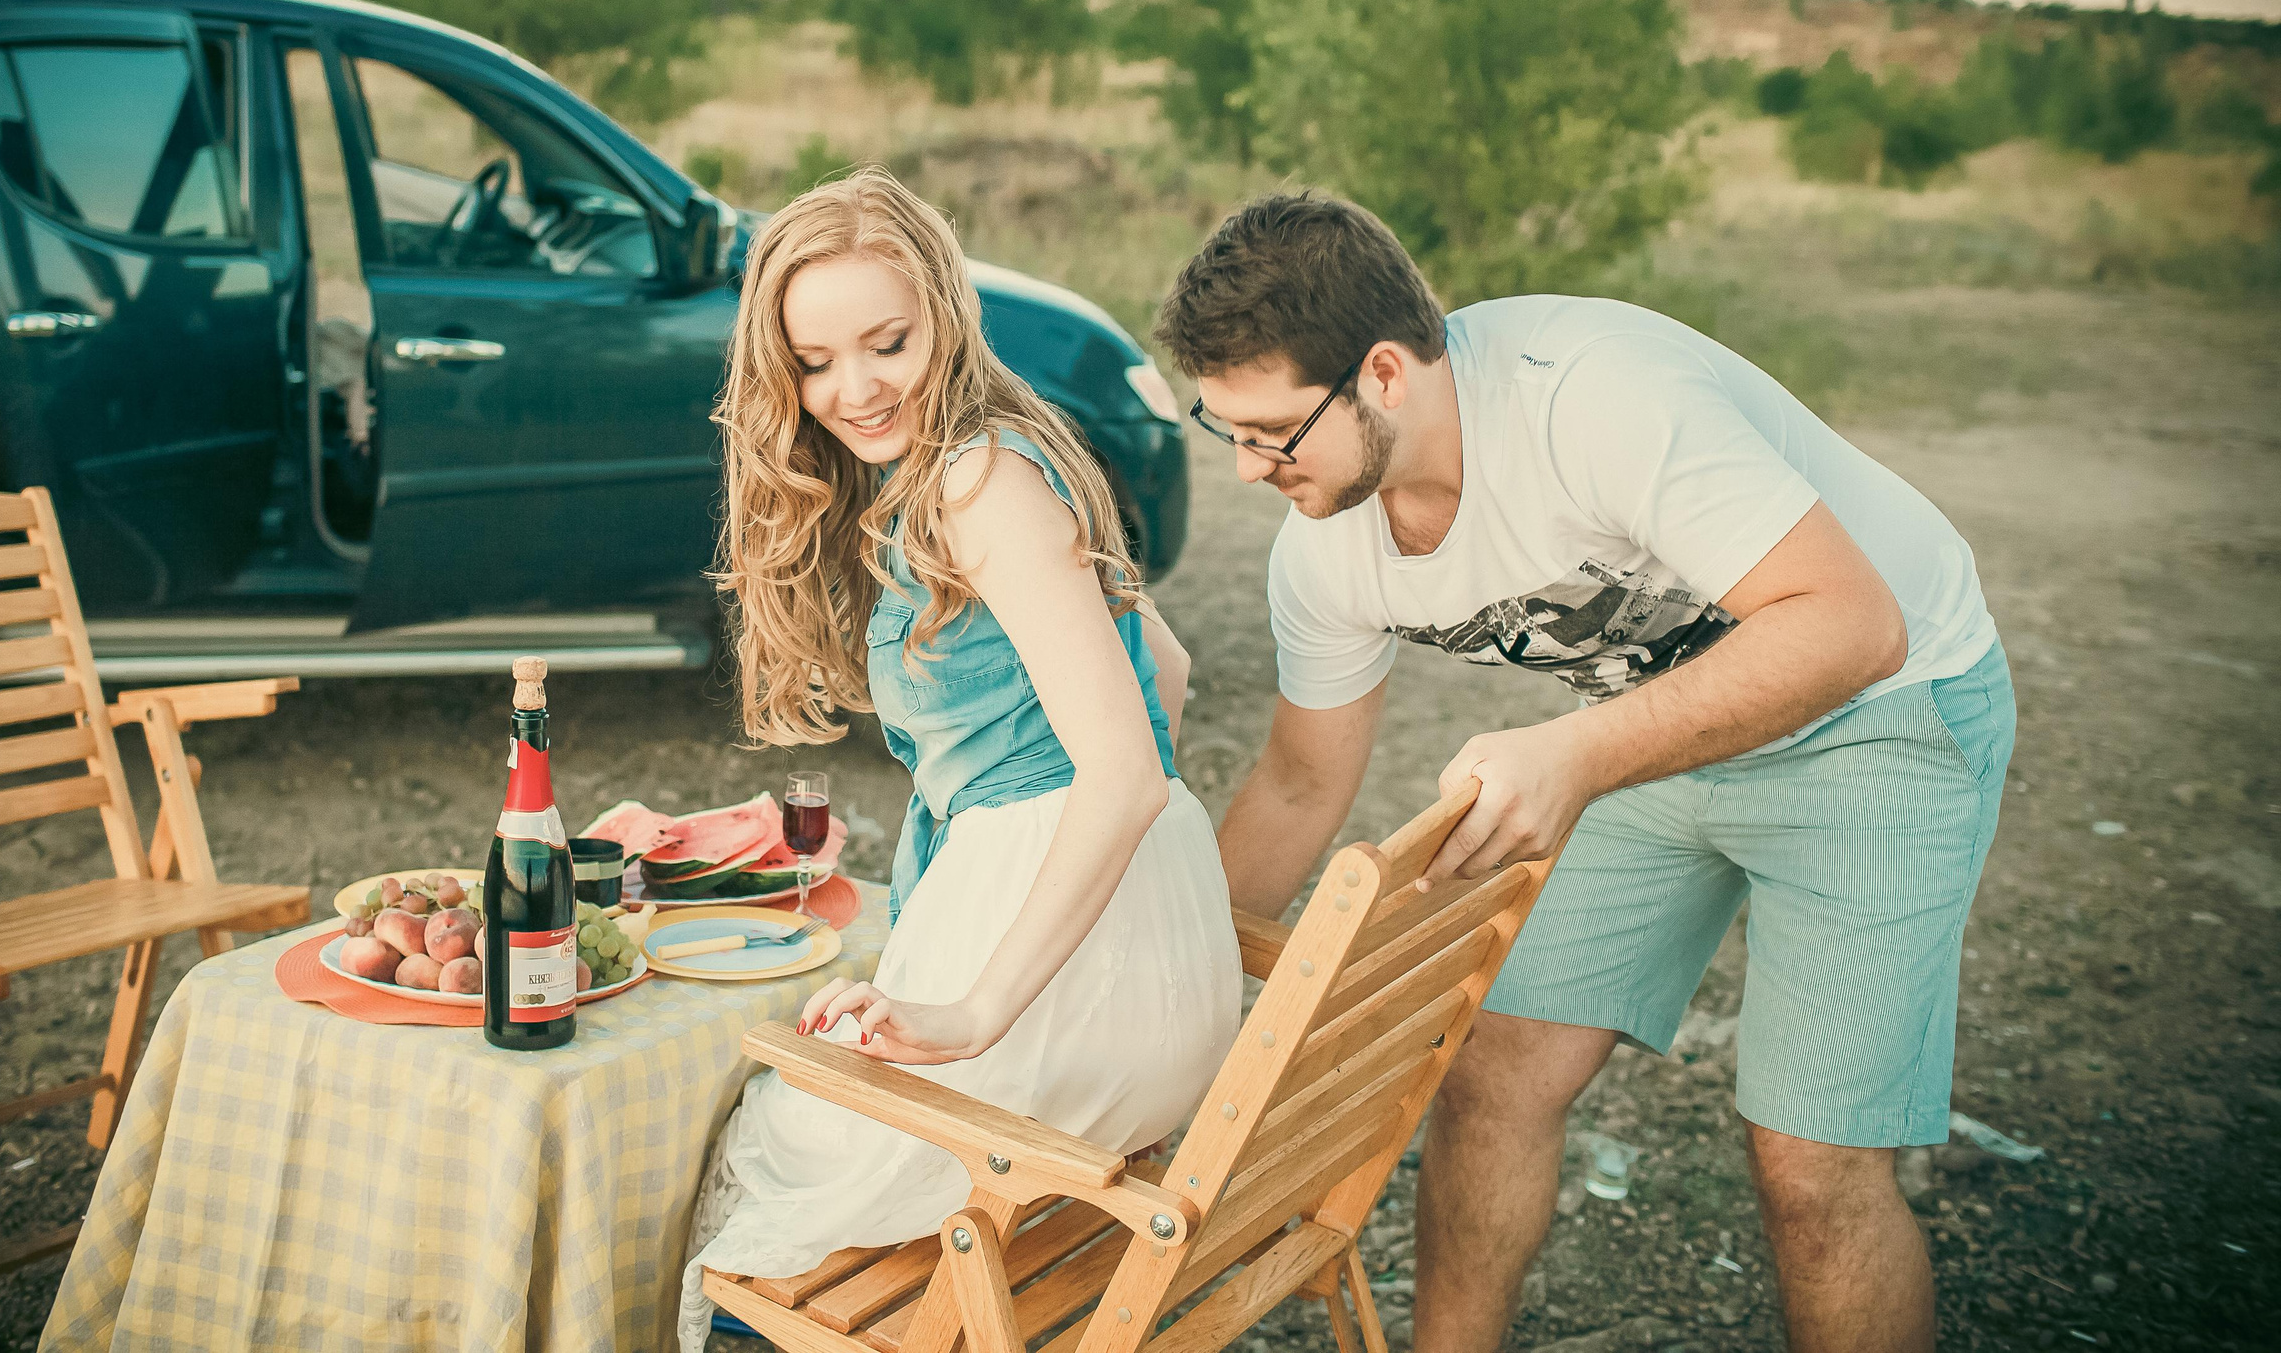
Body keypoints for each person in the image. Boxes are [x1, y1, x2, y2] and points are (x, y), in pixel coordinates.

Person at [1156, 193, 2013, 1353]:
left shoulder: (1597, 401)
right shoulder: (1326, 547)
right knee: (1491, 1073)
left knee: (1810, 1171)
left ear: (1386, 374)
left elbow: (1855, 626)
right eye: (1226, 433)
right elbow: (1301, 786)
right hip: (1664, 728)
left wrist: (1572, 754)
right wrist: (1160, 994)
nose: (1250, 470)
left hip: (1880, 714)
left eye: (1272, 433)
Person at [678, 168, 1240, 1351]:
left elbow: (1125, 773)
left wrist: (981, 1003)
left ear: (946, 314)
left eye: (887, 342)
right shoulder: (1002, 453)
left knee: (769, 1157)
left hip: (1061, 960)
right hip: (1149, 943)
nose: (855, 388)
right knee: (816, 1115)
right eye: (816, 362)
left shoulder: (975, 483)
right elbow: (1168, 674)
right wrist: (1133, 885)